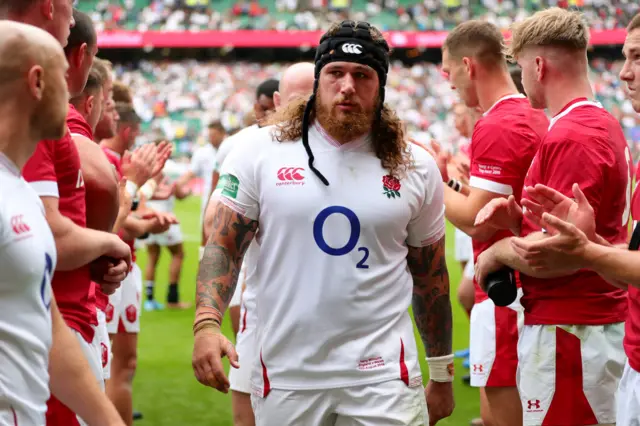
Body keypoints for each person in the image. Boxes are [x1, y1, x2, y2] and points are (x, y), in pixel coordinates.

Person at [193, 20, 454, 426]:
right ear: (318, 80)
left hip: (383, 377)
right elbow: (224, 245)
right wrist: (206, 324)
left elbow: (430, 274)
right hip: (286, 374)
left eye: (362, 75)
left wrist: (440, 370)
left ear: (380, 87)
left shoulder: (415, 165)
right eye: (335, 73)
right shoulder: (259, 150)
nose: (347, 85)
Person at [474, 8, 631, 426]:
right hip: (581, 326)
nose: (521, 79)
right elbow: (578, 233)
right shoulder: (595, 124)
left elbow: (563, 255)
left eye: (521, 67)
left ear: (538, 66)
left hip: (572, 330)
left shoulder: (572, 134)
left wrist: (499, 251)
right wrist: (517, 222)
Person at [0, 20, 125, 426]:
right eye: (62, 75)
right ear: (38, 82)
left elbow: (47, 324)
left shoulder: (19, 189)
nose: (76, 96)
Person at [439, 20, 549, 426]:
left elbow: (477, 223)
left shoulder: (499, 122)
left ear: (468, 65)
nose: (449, 83)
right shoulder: (530, 114)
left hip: (508, 290)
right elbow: (492, 205)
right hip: (523, 285)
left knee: (502, 413)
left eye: (449, 72)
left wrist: (429, 180)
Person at [225, 61, 315, 426]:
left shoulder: (351, 149)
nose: (306, 106)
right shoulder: (249, 148)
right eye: (297, 97)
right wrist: (206, 322)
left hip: (336, 334)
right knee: (248, 410)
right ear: (278, 100)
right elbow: (222, 236)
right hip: (264, 319)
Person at [101, 101, 174, 426]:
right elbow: (117, 219)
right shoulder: (103, 158)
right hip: (110, 269)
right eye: (109, 107)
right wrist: (148, 224)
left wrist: (150, 208)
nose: (114, 117)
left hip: (123, 265)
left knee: (122, 363)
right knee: (108, 364)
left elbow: (129, 210)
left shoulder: (117, 161)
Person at [206, 79, 280, 253]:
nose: (269, 115)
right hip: (241, 247)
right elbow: (215, 196)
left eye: (274, 110)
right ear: (255, 107)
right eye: (264, 108)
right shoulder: (235, 144)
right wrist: (206, 246)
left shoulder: (298, 144)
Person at [143, 141, 192, 311]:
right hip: (165, 217)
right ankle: (172, 299)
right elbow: (178, 192)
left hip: (145, 215)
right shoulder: (172, 168)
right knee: (178, 254)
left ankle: (149, 300)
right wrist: (187, 193)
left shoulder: (145, 166)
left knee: (152, 257)